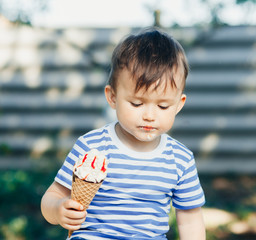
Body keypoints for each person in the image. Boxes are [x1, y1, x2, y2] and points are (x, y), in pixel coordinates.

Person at [41, 27, 206, 240]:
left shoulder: (180, 159)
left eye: (163, 106)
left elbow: (191, 219)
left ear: (179, 104)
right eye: (137, 103)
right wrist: (58, 209)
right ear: (112, 97)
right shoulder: (91, 147)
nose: (149, 115)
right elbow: (52, 196)